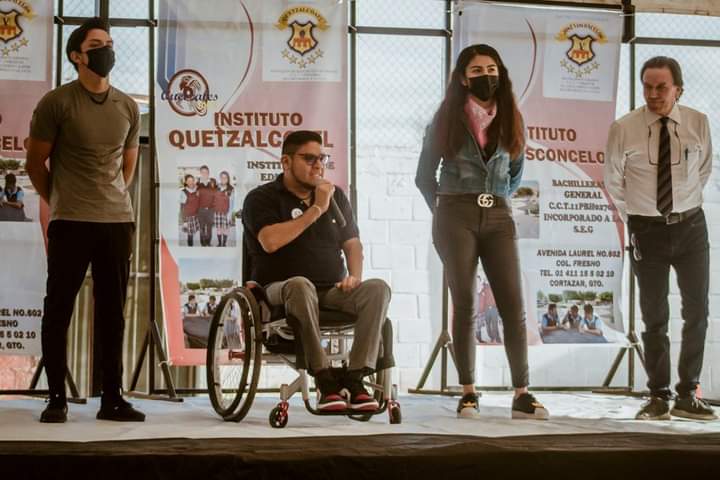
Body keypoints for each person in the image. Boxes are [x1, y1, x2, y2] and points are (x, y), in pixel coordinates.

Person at [415, 44, 548, 420]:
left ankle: (522, 394)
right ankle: (468, 393)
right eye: (476, 71)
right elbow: (424, 176)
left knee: (513, 306)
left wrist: (495, 199)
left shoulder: (512, 118)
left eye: (491, 69)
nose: (485, 76)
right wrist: (445, 212)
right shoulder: (445, 119)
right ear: (463, 78)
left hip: (499, 216)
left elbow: (515, 174)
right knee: (465, 304)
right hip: (455, 214)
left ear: (501, 74)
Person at [26, 17, 144, 423]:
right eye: (96, 45)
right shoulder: (57, 102)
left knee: (113, 312)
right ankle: (56, 398)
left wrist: (109, 199)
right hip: (71, 221)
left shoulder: (128, 106)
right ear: (77, 56)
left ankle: (112, 399)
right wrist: (61, 200)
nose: (106, 50)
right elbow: (34, 163)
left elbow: (128, 167)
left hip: (116, 222)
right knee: (59, 308)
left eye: (109, 43)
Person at [243, 130, 391, 413]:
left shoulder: (337, 197)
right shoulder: (261, 198)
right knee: (301, 284)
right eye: (309, 159)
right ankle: (324, 379)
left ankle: (355, 378)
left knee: (377, 289)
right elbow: (270, 242)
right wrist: (317, 209)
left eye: (322, 158)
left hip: (331, 290)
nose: (318, 165)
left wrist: (354, 277)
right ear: (286, 162)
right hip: (280, 290)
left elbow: (353, 244)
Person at [605, 56, 716, 421]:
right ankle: (658, 396)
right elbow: (614, 181)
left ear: (678, 89)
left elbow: (703, 171)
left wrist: (681, 205)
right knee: (654, 316)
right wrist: (639, 217)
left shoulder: (698, 122)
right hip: (646, 230)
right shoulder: (624, 128)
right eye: (647, 87)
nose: (653, 94)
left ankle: (688, 395)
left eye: (661, 87)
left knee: (697, 312)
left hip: (690, 227)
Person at [213, 170, 235, 247]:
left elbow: (232, 203)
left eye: (225, 178)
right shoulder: (216, 188)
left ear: (228, 179)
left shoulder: (231, 189)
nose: (223, 179)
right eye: (222, 177)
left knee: (226, 228)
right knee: (219, 228)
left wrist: (230, 214)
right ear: (220, 178)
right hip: (217, 212)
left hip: (226, 212)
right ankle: (219, 243)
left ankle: (224, 243)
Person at [196, 165, 215, 246]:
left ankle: (208, 242)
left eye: (206, 172)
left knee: (209, 228)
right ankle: (203, 243)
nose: (204, 174)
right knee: (202, 227)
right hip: (201, 210)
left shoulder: (213, 183)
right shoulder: (197, 184)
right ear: (200, 173)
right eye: (203, 172)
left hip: (210, 210)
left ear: (208, 173)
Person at [180, 174, 200, 246]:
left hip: (196, 215)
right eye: (189, 181)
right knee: (190, 235)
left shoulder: (197, 190)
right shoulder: (183, 192)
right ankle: (190, 247)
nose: (191, 182)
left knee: (194, 232)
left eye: (192, 180)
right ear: (186, 182)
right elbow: (182, 207)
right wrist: (184, 221)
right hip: (188, 217)